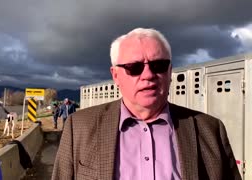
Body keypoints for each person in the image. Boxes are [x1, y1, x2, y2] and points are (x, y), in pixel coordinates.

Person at [52, 28, 241, 179]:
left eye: (158, 65)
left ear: (169, 72)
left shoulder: (210, 130)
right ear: (115, 76)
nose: (148, 75)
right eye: (134, 68)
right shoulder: (79, 127)